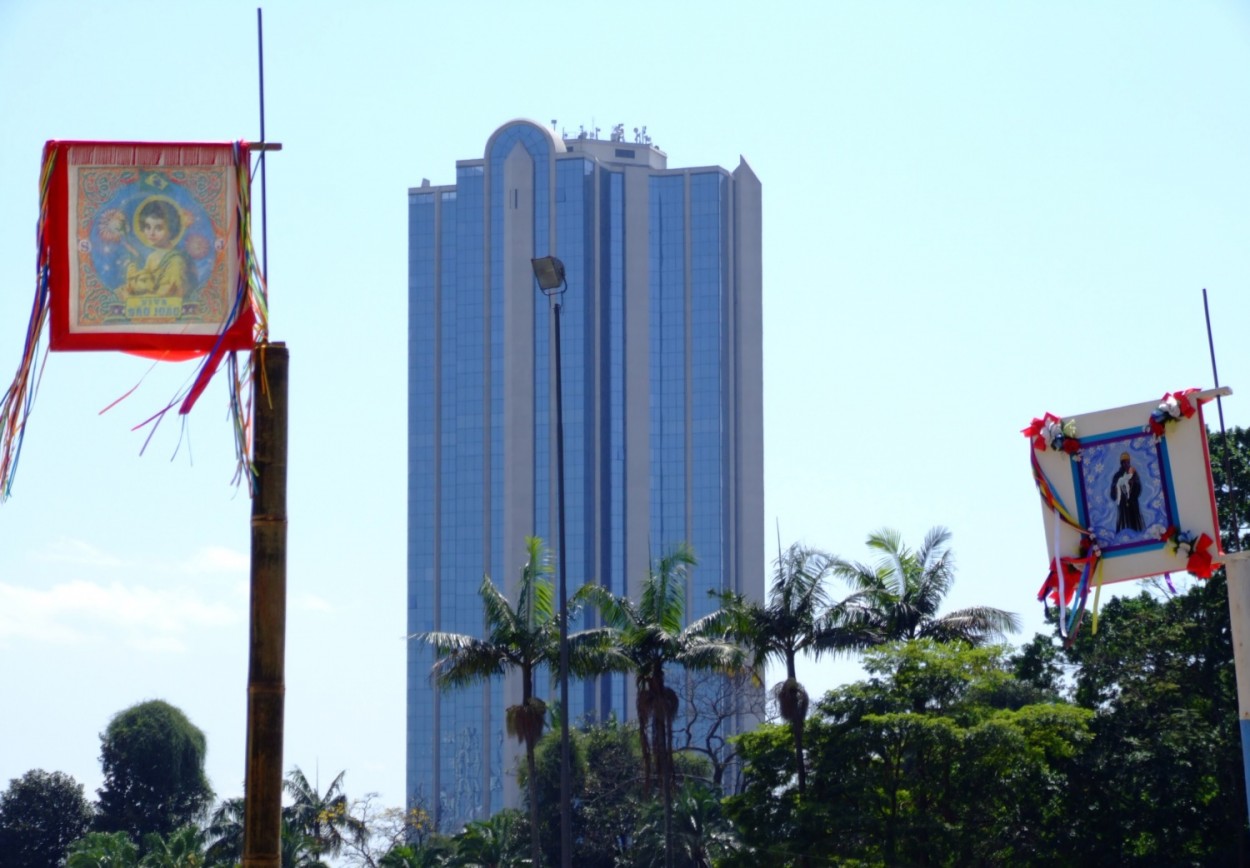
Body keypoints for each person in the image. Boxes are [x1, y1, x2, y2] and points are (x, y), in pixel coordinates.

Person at [118, 198, 195, 302]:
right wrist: (132, 278)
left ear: (171, 229)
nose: (151, 233)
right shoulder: (152, 257)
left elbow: (167, 296)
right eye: (147, 227)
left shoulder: (176, 262)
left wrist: (130, 299)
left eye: (158, 228)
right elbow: (147, 286)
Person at [1109, 451, 1144, 533]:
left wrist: (1133, 483)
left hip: (1132, 501)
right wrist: (1117, 489)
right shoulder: (1117, 475)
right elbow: (1113, 487)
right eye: (1124, 463)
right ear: (1121, 463)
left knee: (1134, 519)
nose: (1126, 464)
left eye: (1127, 462)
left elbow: (1138, 485)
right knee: (1123, 519)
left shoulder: (1134, 473)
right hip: (1122, 502)